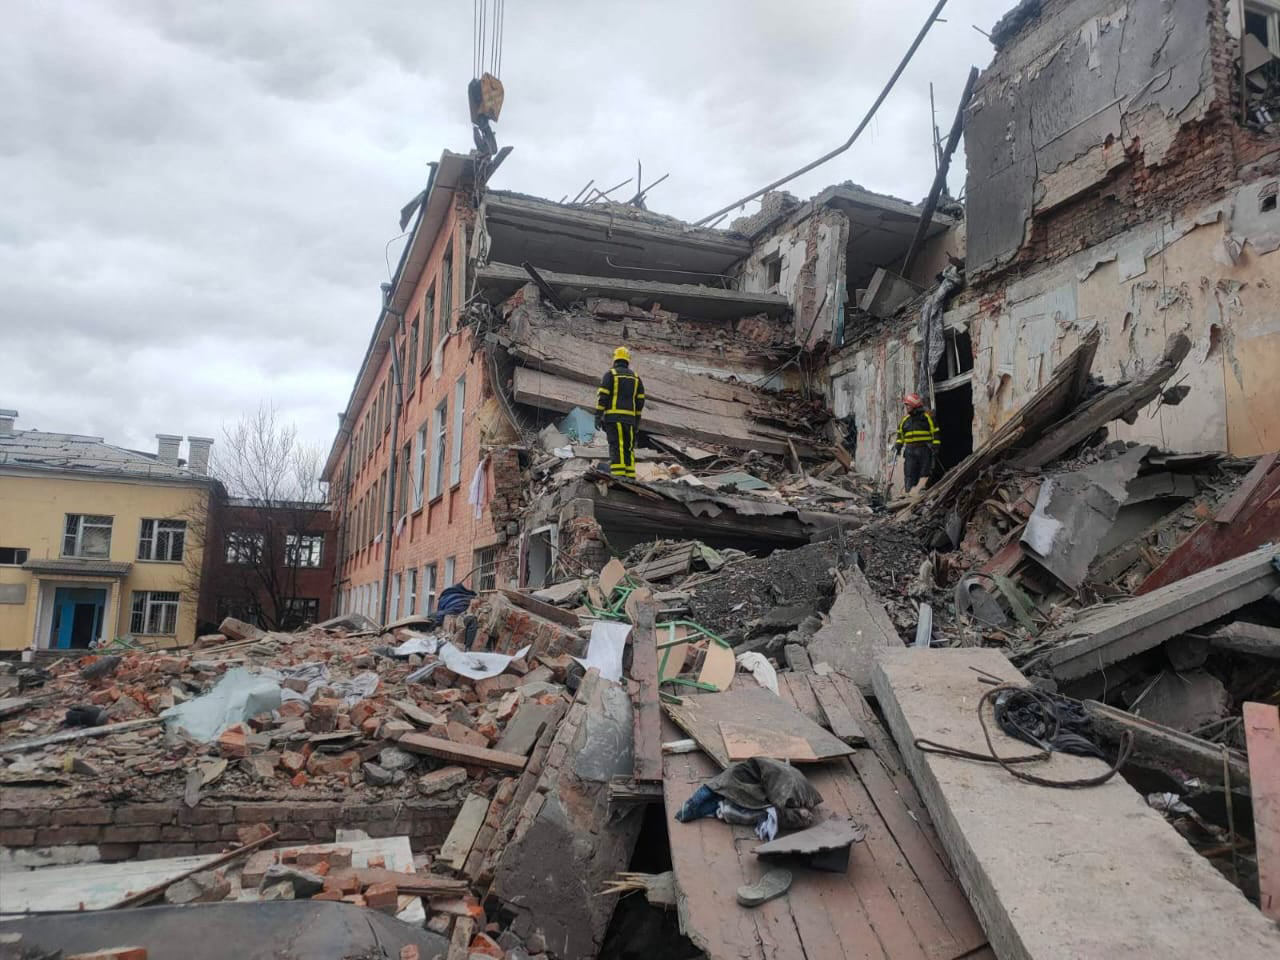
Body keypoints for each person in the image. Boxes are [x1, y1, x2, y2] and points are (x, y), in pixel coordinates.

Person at [595, 346, 646, 479]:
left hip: (613, 418)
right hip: (630, 421)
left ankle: (618, 476)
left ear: (615, 359)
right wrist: (637, 421)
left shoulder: (610, 375)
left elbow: (603, 398)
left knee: (616, 445)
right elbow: (640, 401)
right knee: (628, 448)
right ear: (627, 360)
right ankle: (629, 476)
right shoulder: (636, 378)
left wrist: (598, 416)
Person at [895, 393, 940, 494]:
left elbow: (935, 432)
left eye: (908, 405)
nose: (906, 407)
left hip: (924, 450)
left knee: (924, 474)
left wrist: (936, 446)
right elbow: (900, 435)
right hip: (910, 451)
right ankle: (909, 495)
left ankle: (922, 497)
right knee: (909, 475)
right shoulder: (905, 420)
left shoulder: (927, 417)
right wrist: (898, 445)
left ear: (914, 405)